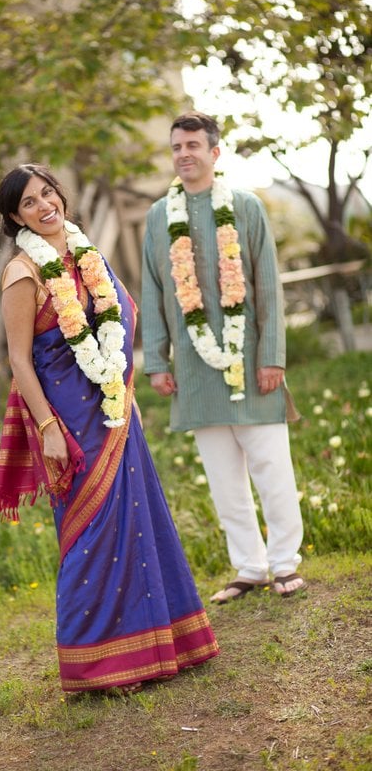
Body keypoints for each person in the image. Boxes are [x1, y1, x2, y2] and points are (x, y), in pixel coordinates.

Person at [0, 163, 219, 693]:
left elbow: (121, 314)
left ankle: (166, 641)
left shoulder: (87, 255)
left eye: (47, 194)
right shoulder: (24, 273)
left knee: (140, 517)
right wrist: (47, 426)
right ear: (14, 218)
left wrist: (124, 381)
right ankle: (99, 664)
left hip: (113, 408)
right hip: (69, 420)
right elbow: (19, 359)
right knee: (93, 532)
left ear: (59, 194)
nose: (44, 207)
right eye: (29, 204)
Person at [141, 112, 307, 604]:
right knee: (222, 477)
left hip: (252, 360)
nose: (184, 154)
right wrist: (156, 361)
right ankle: (249, 567)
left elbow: (268, 287)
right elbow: (152, 290)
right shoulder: (157, 217)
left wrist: (272, 355)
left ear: (214, 152)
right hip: (193, 369)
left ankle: (284, 564)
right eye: (176, 147)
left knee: (271, 467)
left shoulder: (245, 207)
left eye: (193, 145)